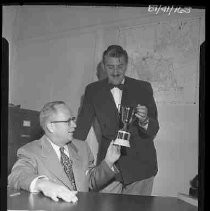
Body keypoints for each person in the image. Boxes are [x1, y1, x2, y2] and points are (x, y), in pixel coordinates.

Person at [73, 45, 159, 195]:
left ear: (126, 65)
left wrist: (145, 120)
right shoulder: (93, 90)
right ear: (104, 67)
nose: (115, 71)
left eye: (120, 66)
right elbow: (81, 128)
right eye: (110, 67)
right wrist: (68, 155)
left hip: (141, 165)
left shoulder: (143, 88)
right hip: (109, 163)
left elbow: (154, 128)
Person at [8, 101, 121, 202]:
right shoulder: (30, 151)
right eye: (68, 121)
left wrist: (108, 162)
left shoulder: (82, 147)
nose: (74, 125)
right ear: (51, 127)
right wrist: (43, 184)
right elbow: (17, 175)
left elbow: (91, 182)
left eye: (73, 119)